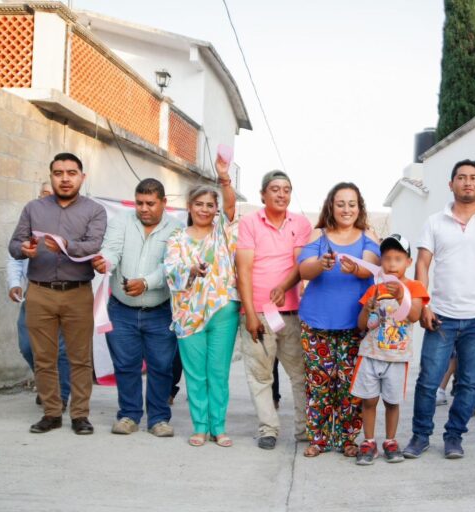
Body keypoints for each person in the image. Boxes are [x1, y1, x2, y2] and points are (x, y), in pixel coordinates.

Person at [403, 159, 475, 460]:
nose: (467, 182)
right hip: (441, 316)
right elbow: (422, 264)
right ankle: (420, 436)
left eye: (474, 178)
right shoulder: (435, 222)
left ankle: (454, 437)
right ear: (451, 184)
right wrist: (424, 304)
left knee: (468, 382)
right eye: (461, 177)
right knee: (428, 380)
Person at [8, 152, 107, 434]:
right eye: (59, 173)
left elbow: (93, 244)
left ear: (82, 177)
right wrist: (23, 249)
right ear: (51, 176)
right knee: (43, 357)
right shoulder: (33, 208)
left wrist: (65, 245)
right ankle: (51, 413)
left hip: (78, 292)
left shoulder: (94, 211)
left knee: (79, 358)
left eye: (71, 173)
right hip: (40, 291)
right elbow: (14, 244)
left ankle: (80, 415)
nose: (65, 179)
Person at [92, 178, 181, 438]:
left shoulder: (176, 229)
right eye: (139, 203)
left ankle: (159, 419)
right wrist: (105, 262)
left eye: (150, 203)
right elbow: (111, 250)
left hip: (160, 311)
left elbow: (172, 266)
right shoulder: (121, 221)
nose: (143, 208)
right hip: (121, 310)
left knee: (161, 366)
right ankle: (129, 416)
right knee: (126, 365)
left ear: (163, 203)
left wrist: (146, 283)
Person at [297, 182, 380, 457]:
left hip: (355, 324)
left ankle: (347, 439)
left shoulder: (368, 235)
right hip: (316, 323)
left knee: (350, 386)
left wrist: (355, 267)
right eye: (341, 203)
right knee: (318, 384)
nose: (346, 209)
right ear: (331, 206)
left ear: (359, 207)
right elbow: (304, 270)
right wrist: (320, 264)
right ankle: (318, 439)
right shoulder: (319, 234)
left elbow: (371, 267)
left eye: (352, 204)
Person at [163, 158, 239, 447]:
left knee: (218, 373)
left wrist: (224, 177)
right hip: (188, 314)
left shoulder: (222, 231)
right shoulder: (177, 238)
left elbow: (230, 205)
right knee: (195, 375)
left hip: (223, 311)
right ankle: (200, 427)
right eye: (199, 204)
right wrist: (191, 270)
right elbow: (170, 270)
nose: (205, 209)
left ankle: (218, 427)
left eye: (210, 205)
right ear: (189, 207)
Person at [237, 170, 312, 450]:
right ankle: (268, 428)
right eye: (275, 189)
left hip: (291, 313)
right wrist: (250, 313)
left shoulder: (300, 223)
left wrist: (284, 287)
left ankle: (304, 429)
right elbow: (243, 270)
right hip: (258, 313)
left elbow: (300, 264)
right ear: (262, 194)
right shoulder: (249, 223)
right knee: (260, 375)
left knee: (301, 373)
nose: (282, 194)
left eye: (286, 189)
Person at [352, 234, 428, 465]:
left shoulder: (414, 287)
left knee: (392, 402)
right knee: (369, 401)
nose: (392, 264)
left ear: (409, 262)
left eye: (398, 258)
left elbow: (414, 316)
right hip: (371, 354)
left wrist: (402, 295)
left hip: (397, 357)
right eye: (386, 258)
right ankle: (369, 441)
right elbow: (361, 325)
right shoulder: (374, 289)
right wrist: (367, 308)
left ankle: (390, 441)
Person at [7, 181, 71, 410]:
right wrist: (15, 283)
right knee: (27, 345)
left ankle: (59, 395)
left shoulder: (70, 223)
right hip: (34, 293)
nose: (48, 198)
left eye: (52, 195)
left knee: (61, 349)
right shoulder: (29, 220)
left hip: (64, 293)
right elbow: (15, 254)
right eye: (44, 194)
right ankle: (46, 383)